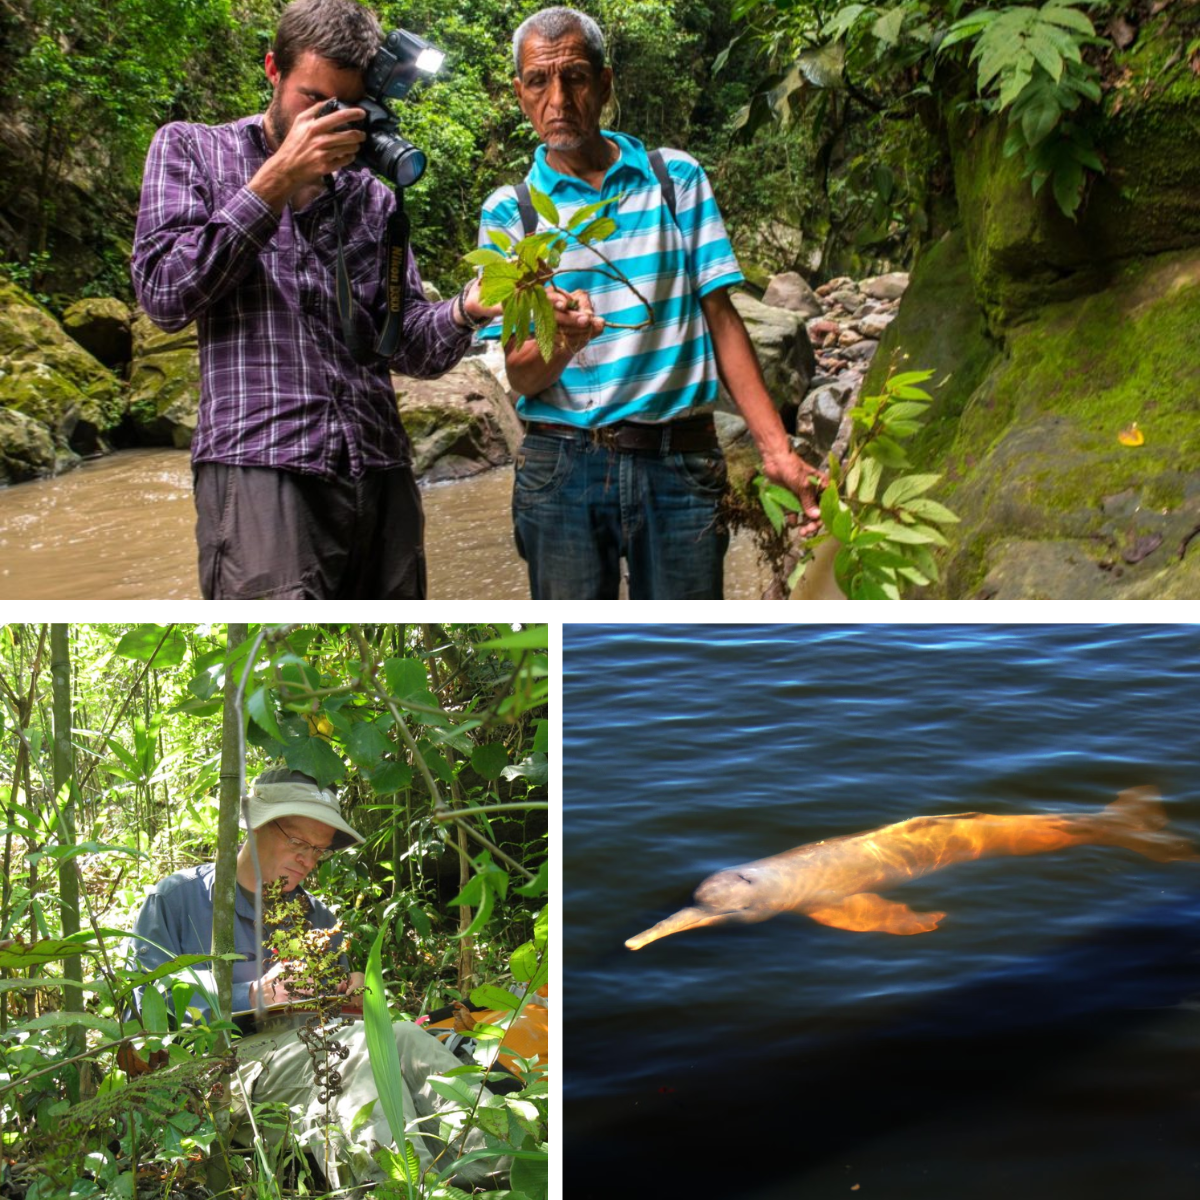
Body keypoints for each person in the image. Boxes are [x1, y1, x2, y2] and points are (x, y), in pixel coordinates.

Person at [130, 0, 589, 600]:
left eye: (346, 106)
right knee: (280, 654)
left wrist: (469, 306)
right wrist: (278, 178)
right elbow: (164, 294)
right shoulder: (192, 150)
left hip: (379, 468)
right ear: (273, 70)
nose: (330, 122)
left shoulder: (370, 196)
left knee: (394, 652)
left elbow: (410, 348)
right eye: (312, 99)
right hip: (261, 462)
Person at [476, 6, 827, 600]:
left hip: (678, 462)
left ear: (604, 84)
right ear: (520, 93)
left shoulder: (675, 181)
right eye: (538, 81)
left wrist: (776, 450)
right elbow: (523, 375)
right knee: (573, 646)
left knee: (680, 647)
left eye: (575, 78)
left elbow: (722, 319)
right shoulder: (511, 213)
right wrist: (564, 343)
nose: (557, 99)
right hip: (560, 467)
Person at [127, 767, 505, 1188]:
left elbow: (336, 1019)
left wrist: (352, 1001)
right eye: (298, 842)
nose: (308, 861)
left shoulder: (317, 916)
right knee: (358, 1055)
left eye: (319, 850)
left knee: (403, 1035)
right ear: (254, 825)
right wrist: (254, 994)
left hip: (308, 1049)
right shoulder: (179, 899)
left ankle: (513, 1167)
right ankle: (401, 1190)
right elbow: (147, 1006)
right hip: (221, 1068)